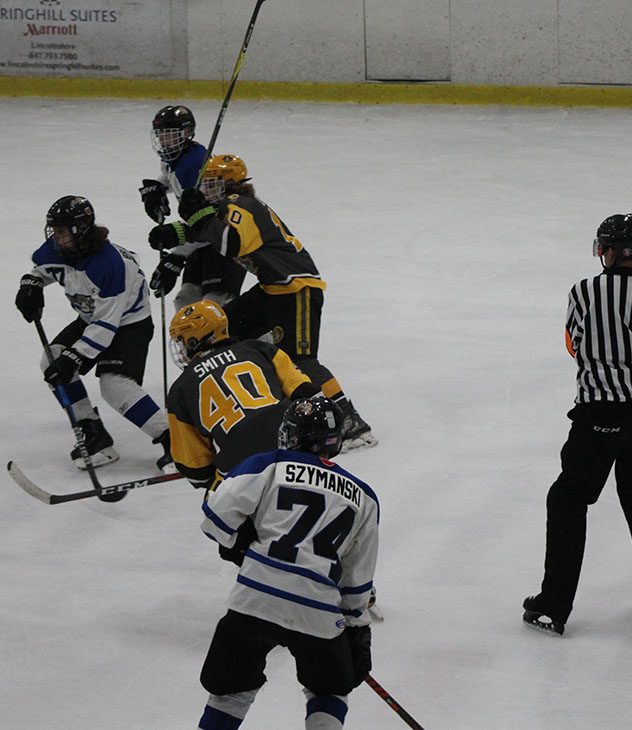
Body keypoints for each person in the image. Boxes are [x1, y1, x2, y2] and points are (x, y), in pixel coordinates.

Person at [522, 213, 632, 636]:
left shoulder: (583, 291)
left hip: (599, 415)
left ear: (608, 251)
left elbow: (574, 345)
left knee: (568, 499)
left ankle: (553, 605)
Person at [147, 153, 377, 451]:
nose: (206, 191)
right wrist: (174, 232)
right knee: (224, 328)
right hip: (273, 289)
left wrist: (197, 215)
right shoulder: (227, 208)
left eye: (212, 184)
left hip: (297, 287)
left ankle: (350, 423)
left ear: (230, 184)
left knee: (302, 360)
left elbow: (231, 242)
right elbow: (206, 232)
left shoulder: (242, 204)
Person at [197, 396, 379, 730]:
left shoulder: (269, 464)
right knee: (330, 691)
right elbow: (357, 579)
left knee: (230, 692)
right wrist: (357, 630)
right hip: (318, 610)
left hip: (254, 600)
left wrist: (239, 544)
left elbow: (215, 519)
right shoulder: (364, 497)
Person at [14, 195, 171, 501]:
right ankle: (94, 434)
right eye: (54, 229)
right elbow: (42, 269)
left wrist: (76, 357)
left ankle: (173, 439)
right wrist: (30, 284)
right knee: (51, 362)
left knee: (115, 386)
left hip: (129, 323)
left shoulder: (108, 265)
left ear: (81, 229)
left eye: (62, 230)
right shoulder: (58, 249)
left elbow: (106, 324)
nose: (55, 236)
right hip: (92, 316)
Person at [166, 299, 320, 491]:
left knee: (220, 516)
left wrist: (216, 476)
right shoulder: (259, 349)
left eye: (181, 339)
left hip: (240, 457)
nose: (181, 348)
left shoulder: (179, 390)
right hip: (289, 436)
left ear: (194, 339)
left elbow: (196, 469)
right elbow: (306, 393)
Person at [139, 104, 246, 309]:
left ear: (187, 133)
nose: (164, 141)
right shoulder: (176, 159)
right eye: (161, 135)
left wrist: (178, 256)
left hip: (221, 243)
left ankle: (261, 341)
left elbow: (210, 222)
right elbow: (170, 177)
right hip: (200, 241)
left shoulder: (194, 166)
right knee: (186, 303)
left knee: (216, 306)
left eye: (170, 135)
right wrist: (158, 188)